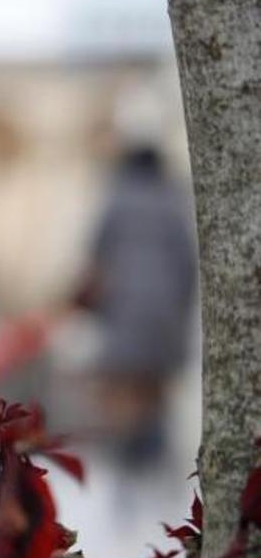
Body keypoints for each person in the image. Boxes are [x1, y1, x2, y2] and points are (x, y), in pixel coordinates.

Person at [76, 144, 196, 468]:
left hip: (123, 307)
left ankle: (124, 449)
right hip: (165, 313)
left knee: (122, 382)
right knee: (153, 383)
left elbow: (96, 256)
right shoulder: (175, 202)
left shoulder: (115, 200)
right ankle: (153, 448)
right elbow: (188, 264)